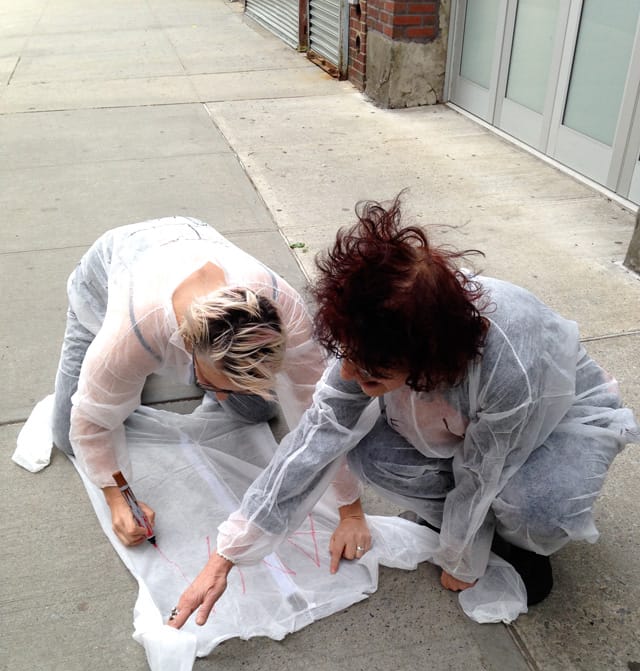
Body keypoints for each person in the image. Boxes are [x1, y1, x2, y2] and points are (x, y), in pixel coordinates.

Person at [168, 197, 639, 629]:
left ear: (425, 358)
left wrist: (461, 558)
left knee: (535, 503)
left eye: (368, 369)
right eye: (345, 356)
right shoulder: (377, 330)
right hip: (460, 412)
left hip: (551, 425)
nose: (349, 374)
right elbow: (314, 439)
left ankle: (509, 538)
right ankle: (466, 524)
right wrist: (227, 554)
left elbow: (484, 469)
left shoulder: (509, 362)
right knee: (367, 451)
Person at [53, 215, 368, 554]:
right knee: (66, 433)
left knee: (254, 410)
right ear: (186, 344)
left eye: (231, 386)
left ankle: (182, 377)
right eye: (211, 382)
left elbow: (320, 412)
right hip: (109, 271)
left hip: (191, 236)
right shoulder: (130, 332)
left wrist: (350, 511)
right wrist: (119, 499)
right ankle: (142, 375)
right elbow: (91, 424)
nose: (220, 396)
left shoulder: (284, 307)